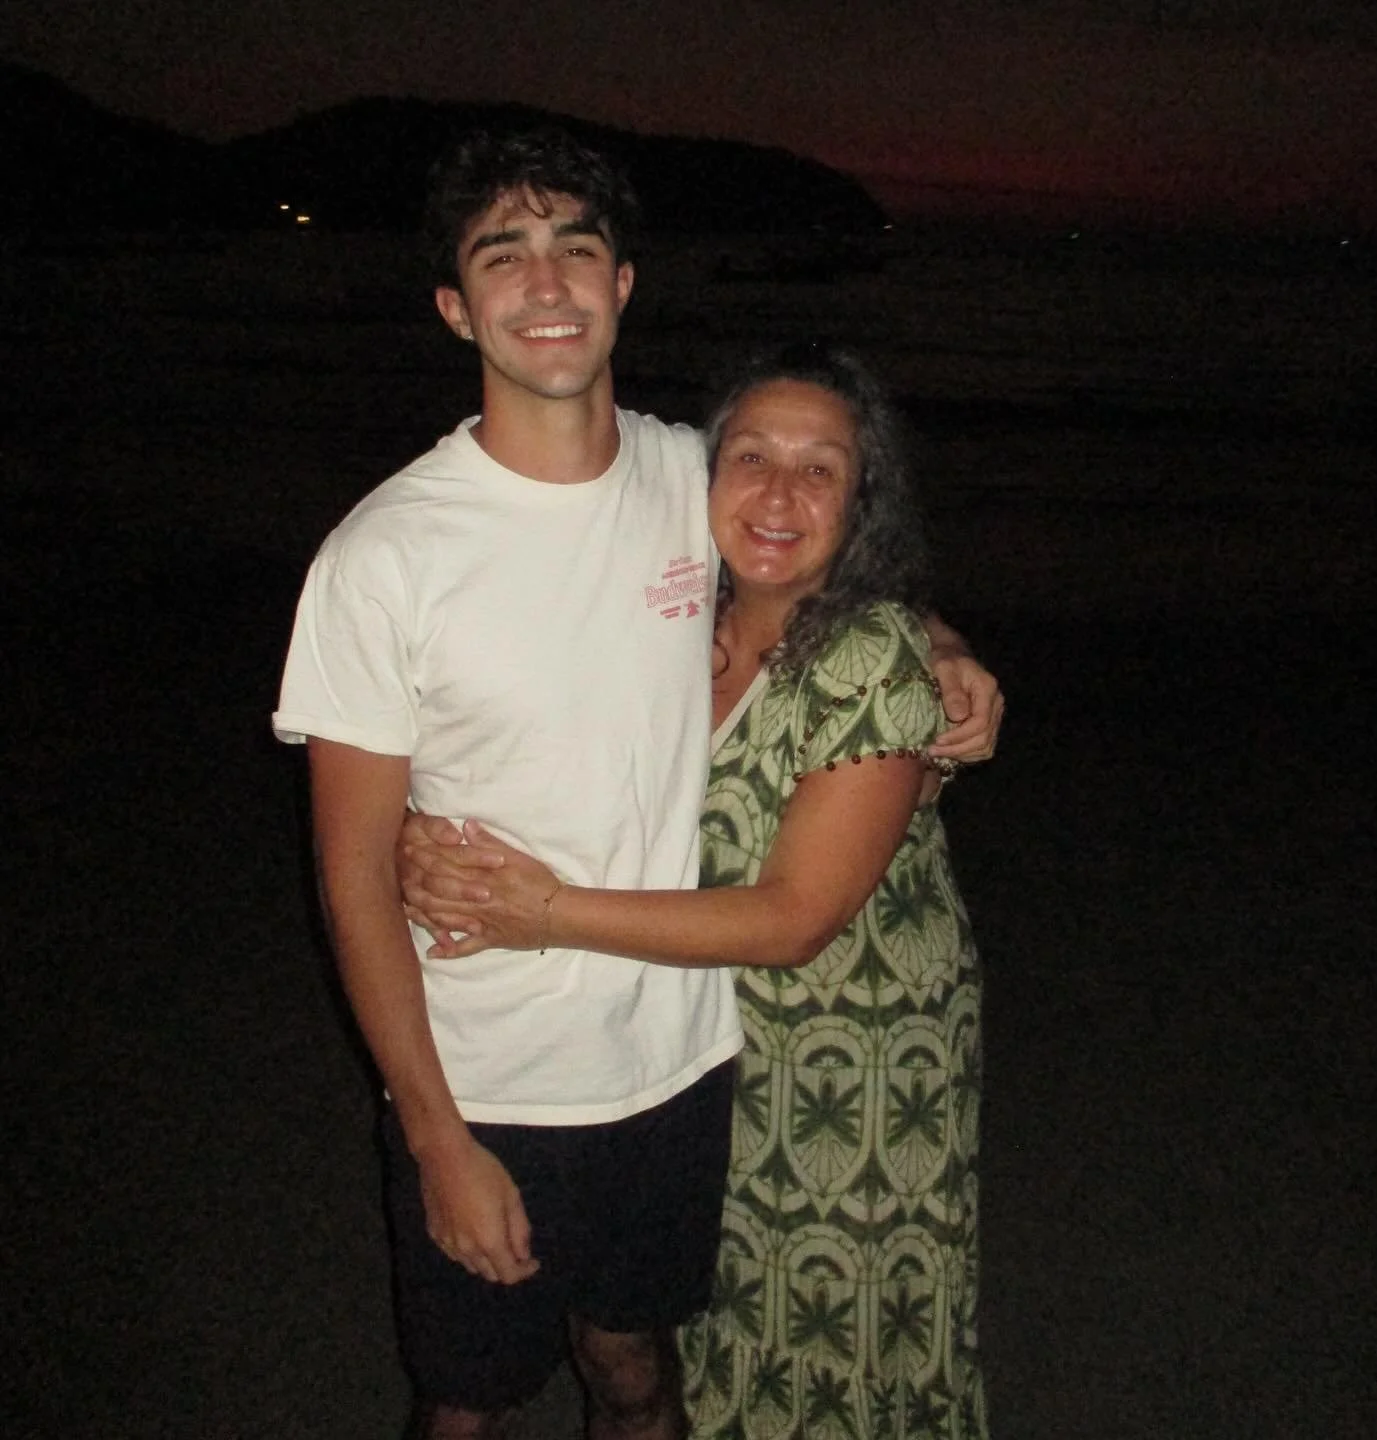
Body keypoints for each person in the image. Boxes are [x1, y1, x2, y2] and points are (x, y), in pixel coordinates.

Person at [274, 125, 999, 1440]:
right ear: (454, 305)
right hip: (491, 1078)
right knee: (464, 1403)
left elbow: (819, 556)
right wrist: (436, 1137)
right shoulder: (382, 560)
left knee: (637, 1374)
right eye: (505, 255)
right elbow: (351, 876)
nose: (545, 285)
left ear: (624, 288)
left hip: (678, 1067)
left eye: (578, 250)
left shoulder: (689, 477)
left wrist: (946, 651)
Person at [402, 343, 989, 1440]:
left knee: (835, 1334)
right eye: (753, 457)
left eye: (822, 469)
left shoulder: (868, 660)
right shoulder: (676, 620)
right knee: (715, 1331)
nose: (778, 492)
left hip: (854, 1059)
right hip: (702, 1045)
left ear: (862, 503)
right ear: (702, 479)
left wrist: (539, 911)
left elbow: (794, 920)